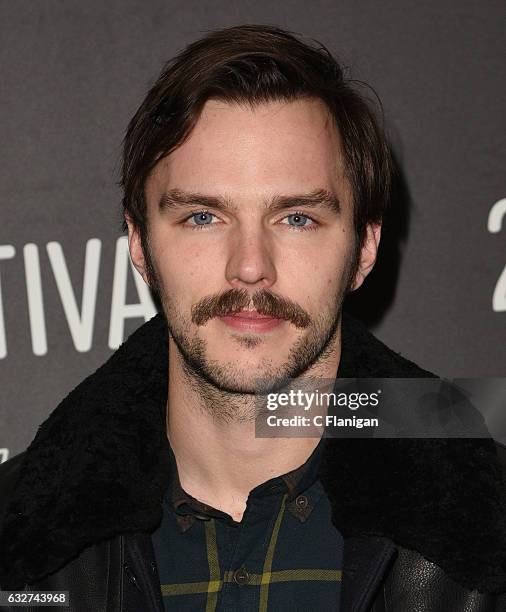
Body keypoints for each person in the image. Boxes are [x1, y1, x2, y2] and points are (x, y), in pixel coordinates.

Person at [0, 23, 505, 612]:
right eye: (202, 217)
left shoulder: (490, 528)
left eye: (296, 218)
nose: (249, 268)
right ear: (139, 246)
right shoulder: (19, 541)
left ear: (363, 251)